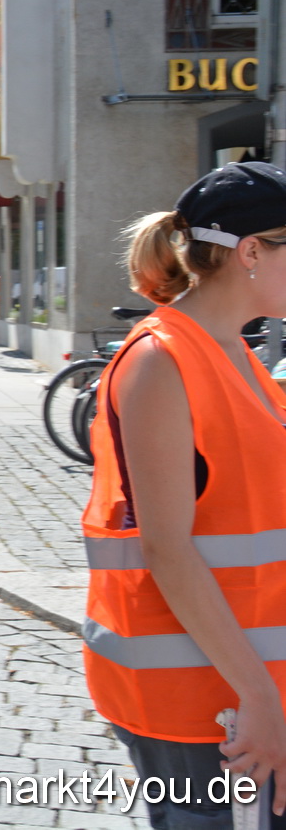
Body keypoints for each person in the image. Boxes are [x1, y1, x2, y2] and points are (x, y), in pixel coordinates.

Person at [84, 162, 286, 827]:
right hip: (204, 701)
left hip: (243, 683)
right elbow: (167, 549)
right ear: (252, 251)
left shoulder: (236, 351)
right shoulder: (162, 361)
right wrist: (260, 696)